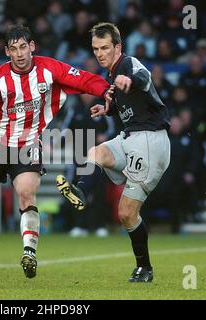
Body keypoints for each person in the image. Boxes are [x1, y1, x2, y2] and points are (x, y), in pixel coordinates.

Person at [0, 24, 111, 279]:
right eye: (14, 49)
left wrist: (105, 91)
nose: (20, 53)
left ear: (32, 46)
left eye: (23, 47)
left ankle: (29, 252)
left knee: (26, 194)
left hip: (27, 144)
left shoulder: (50, 69)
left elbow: (83, 78)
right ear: (7, 52)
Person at [56, 22, 171, 283]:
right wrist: (107, 109)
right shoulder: (113, 77)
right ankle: (82, 191)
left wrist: (129, 79)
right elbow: (130, 102)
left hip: (151, 142)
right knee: (96, 152)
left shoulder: (128, 64)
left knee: (126, 213)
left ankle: (145, 268)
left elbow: (144, 78)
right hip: (131, 137)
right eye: (95, 48)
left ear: (117, 47)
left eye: (105, 47)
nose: (99, 53)